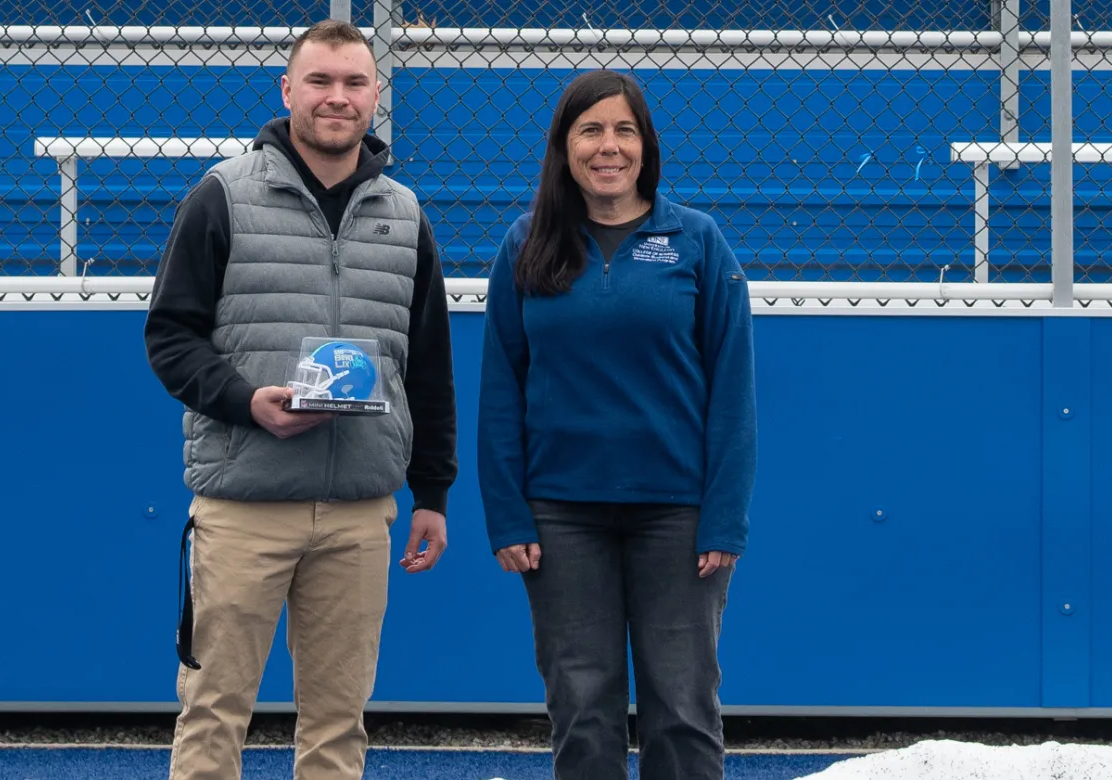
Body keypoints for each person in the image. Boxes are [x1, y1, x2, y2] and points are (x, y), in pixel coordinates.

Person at [143, 19, 457, 780]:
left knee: (337, 723)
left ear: (376, 96)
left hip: (358, 509)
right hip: (245, 504)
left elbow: (428, 367)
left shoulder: (406, 216)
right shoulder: (221, 196)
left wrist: (432, 492)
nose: (336, 98)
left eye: (354, 82)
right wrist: (250, 403)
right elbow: (170, 338)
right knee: (215, 710)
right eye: (319, 81)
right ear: (287, 91)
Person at [475, 69, 757, 779]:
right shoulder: (524, 245)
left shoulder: (697, 241)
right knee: (582, 709)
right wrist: (507, 515)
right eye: (590, 130)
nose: (609, 146)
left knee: (684, 711)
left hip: (678, 517)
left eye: (624, 130)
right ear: (564, 148)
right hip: (561, 517)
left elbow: (732, 391)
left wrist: (723, 518)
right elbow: (501, 389)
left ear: (646, 145)